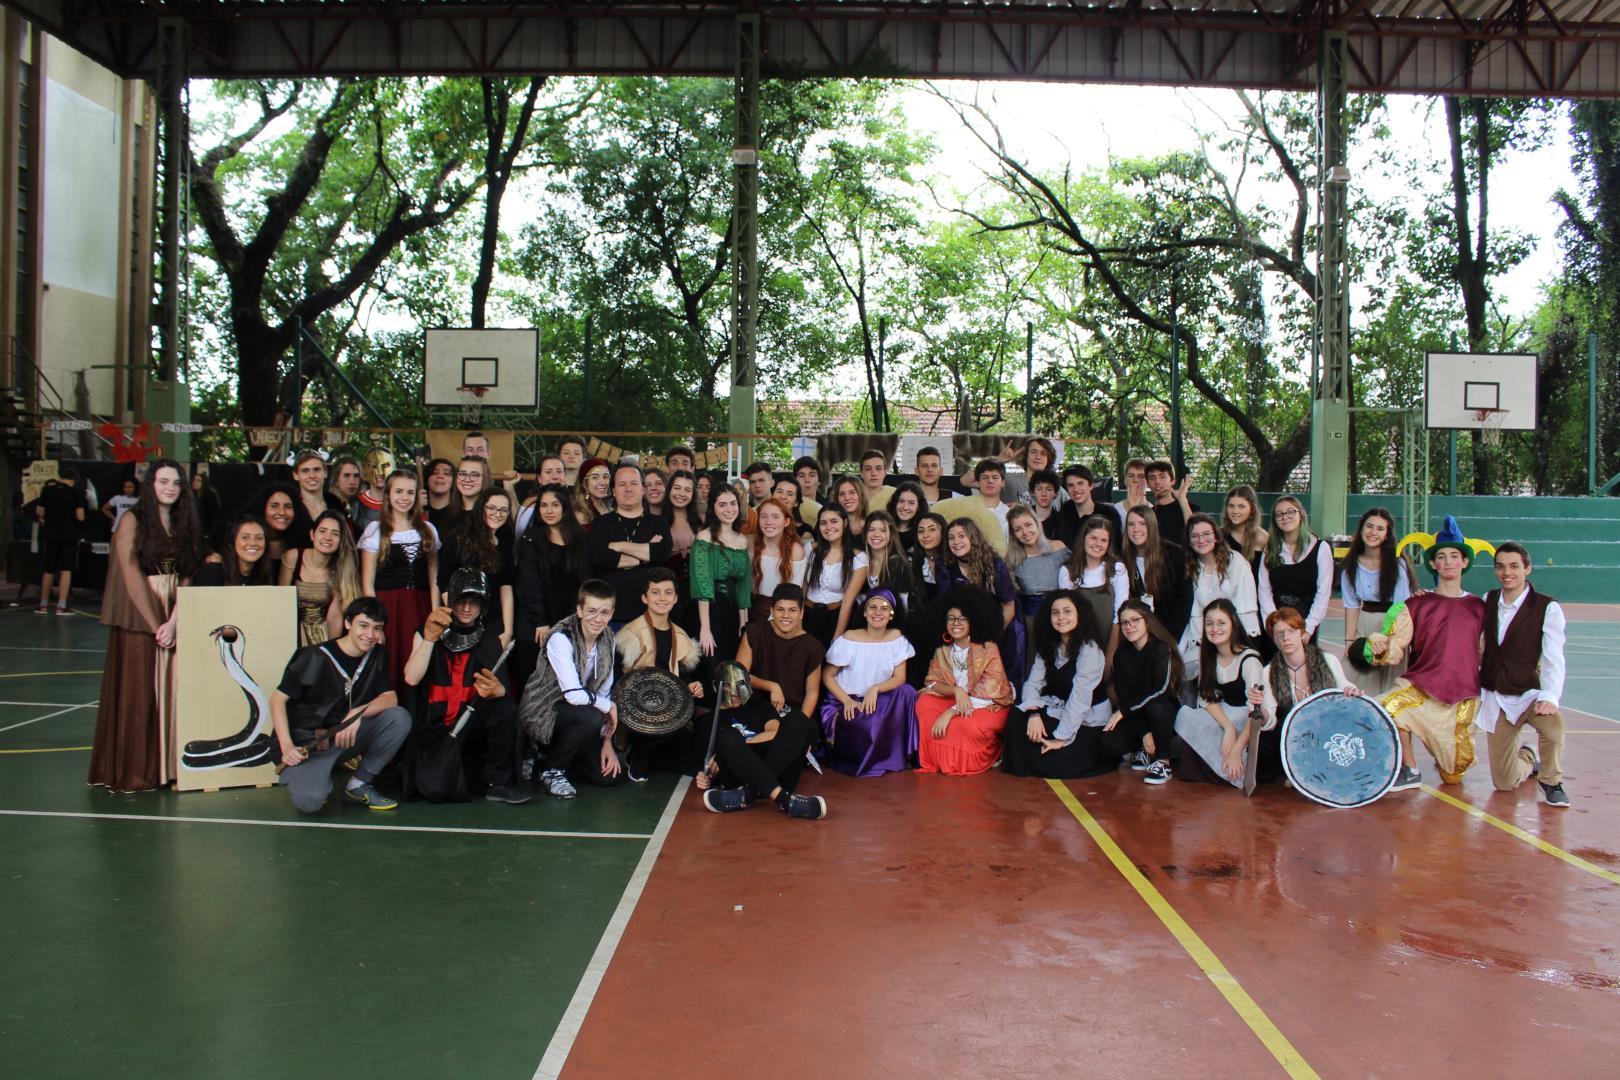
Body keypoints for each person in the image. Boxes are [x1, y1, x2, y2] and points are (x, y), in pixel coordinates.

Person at [89, 459, 204, 792]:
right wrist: (158, 625)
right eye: (162, 481)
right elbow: (131, 576)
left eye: (175, 483)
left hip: (175, 608)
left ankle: (172, 766)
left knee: (175, 689)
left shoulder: (185, 522)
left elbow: (188, 571)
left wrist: (176, 618)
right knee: (141, 692)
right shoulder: (132, 519)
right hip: (142, 613)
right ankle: (142, 769)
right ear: (150, 484)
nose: (169, 488)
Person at [1368, 517, 1487, 791]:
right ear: (1433, 563)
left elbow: (1488, 651)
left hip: (1463, 697)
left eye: (1454, 556)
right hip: (1421, 689)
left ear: (1464, 562)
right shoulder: (1416, 604)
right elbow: (1395, 646)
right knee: (1387, 707)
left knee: (1454, 775)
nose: (1447, 562)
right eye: (1441, 557)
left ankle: (1527, 758)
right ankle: (1409, 768)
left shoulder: (1479, 607)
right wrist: (1379, 646)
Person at [697, 584, 829, 820]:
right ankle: (782, 798)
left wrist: (799, 736)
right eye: (780, 610)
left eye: (791, 610)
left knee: (800, 722)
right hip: (755, 709)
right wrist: (772, 686)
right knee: (727, 736)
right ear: (772, 610)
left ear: (801, 613)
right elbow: (740, 675)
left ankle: (747, 793)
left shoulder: (812, 646)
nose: (785, 616)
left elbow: (811, 693)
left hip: (787, 722)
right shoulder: (755, 632)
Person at [271, 596, 410, 813]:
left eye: (377, 628)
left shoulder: (376, 655)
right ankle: (315, 776)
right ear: (347, 623)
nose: (370, 635)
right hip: (306, 745)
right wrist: (287, 746)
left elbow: (390, 698)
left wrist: (358, 713)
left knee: (398, 717)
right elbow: (277, 699)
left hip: (340, 738)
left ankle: (359, 783)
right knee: (310, 803)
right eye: (363, 625)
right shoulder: (314, 656)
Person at [402, 570, 527, 804]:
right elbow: (411, 678)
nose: (467, 608)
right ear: (452, 601)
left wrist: (496, 690)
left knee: (506, 709)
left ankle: (498, 782)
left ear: (483, 605)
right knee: (436, 790)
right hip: (435, 728)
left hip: (471, 726)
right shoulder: (427, 631)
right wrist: (429, 639)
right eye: (462, 600)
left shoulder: (490, 638)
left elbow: (503, 692)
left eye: (474, 602)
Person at [1476, 542, 1570, 807]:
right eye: (1501, 567)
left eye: (1514, 566)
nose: (1507, 572)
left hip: (1529, 693)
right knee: (1504, 783)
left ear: (1527, 568)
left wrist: (1550, 695)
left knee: (1553, 730)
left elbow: (1554, 657)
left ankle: (1551, 781)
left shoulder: (1547, 608)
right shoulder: (1487, 600)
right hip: (1496, 695)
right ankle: (1528, 758)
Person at [520, 579, 626, 798]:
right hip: (544, 710)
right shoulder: (561, 637)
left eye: (605, 612)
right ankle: (552, 769)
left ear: (612, 613)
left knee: (608, 777)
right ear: (579, 610)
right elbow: (573, 695)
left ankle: (552, 757)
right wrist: (609, 707)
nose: (598, 619)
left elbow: (603, 693)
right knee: (590, 717)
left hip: (581, 714)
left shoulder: (609, 640)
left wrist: (607, 741)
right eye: (592, 611)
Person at [1001, 591, 1113, 779]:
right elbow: (1032, 685)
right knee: (1017, 716)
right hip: (1059, 707)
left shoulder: (1089, 649)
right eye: (1055, 613)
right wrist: (1034, 713)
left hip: (1087, 718)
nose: (1061, 617)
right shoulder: (1050, 646)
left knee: (1057, 763)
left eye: (1067, 611)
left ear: (1079, 614)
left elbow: (1080, 699)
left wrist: (1060, 739)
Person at [1251, 607, 1360, 785]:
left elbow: (1344, 685)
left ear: (1302, 633)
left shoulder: (1327, 660)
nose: (1286, 638)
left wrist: (1350, 691)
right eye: (1279, 634)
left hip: (1327, 730)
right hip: (1295, 735)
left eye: (1291, 631)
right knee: (1265, 746)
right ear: (1274, 640)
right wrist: (1259, 706)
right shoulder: (1269, 672)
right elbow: (1269, 722)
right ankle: (1295, 772)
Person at [614, 567, 703, 781]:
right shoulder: (630, 634)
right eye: (655, 592)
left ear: (675, 599)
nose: (662, 598)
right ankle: (638, 755)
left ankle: (656, 756)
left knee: (692, 756)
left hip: (669, 705)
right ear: (645, 598)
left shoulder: (680, 635)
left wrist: (691, 686)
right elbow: (618, 679)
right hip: (635, 706)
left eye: (668, 593)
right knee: (656, 735)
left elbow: (679, 675)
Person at [817, 589, 917, 776]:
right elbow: (827, 676)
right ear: (864, 612)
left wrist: (875, 688)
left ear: (891, 614)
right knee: (869, 725)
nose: (878, 612)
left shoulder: (897, 638)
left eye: (884, 608)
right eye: (873, 607)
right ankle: (872, 759)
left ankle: (901, 754)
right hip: (845, 703)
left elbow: (900, 678)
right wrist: (846, 700)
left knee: (907, 691)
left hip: (878, 700)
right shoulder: (849, 638)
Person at [915, 587, 1014, 776]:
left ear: (972, 621)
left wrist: (950, 713)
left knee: (964, 725)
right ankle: (937, 760)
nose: (956, 623)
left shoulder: (987, 648)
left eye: (962, 618)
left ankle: (986, 754)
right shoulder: (942, 650)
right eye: (951, 618)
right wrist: (956, 692)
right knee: (924, 704)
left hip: (989, 705)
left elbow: (990, 691)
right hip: (957, 700)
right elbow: (932, 682)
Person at [358, 469, 440, 690]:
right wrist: (375, 623)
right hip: (389, 609)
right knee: (391, 661)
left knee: (419, 661)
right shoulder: (376, 531)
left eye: (410, 492)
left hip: (420, 606)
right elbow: (368, 582)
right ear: (388, 495)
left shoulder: (427, 530)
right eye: (399, 491)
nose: (404, 498)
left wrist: (435, 616)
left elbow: (434, 580)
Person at [1171, 599, 1266, 787]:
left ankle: (1227, 770)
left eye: (1221, 623)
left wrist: (1237, 750)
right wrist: (1228, 728)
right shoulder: (1207, 656)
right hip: (1226, 716)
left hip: (1247, 721)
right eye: (1209, 623)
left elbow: (1256, 712)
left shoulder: (1249, 661)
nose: (1215, 628)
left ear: (1233, 624)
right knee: (1188, 717)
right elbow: (1206, 698)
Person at [513, 483, 588, 695]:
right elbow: (528, 583)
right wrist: (540, 621)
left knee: (564, 682)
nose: (549, 510)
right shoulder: (531, 538)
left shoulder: (579, 539)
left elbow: (584, 581)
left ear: (564, 507)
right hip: (537, 623)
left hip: (569, 620)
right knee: (534, 683)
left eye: (555, 505)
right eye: (543, 505)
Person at [1338, 507, 1415, 695]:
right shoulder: (1350, 565)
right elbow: (1351, 605)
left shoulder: (1398, 565)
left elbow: (1401, 608)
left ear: (1387, 534)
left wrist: (1390, 643)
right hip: (1365, 625)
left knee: (1391, 690)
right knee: (1355, 683)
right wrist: (1349, 641)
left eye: (1380, 529)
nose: (1373, 532)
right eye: (1369, 526)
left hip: (1392, 628)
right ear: (1361, 529)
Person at [1106, 598, 1184, 783]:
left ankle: (1163, 762)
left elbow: (1160, 689)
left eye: (1135, 620)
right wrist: (1144, 733)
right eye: (1125, 622)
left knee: (1156, 706)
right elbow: (1124, 696)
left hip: (1163, 712)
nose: (1129, 626)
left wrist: (1125, 711)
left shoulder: (1162, 648)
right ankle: (1144, 749)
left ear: (1147, 621)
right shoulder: (1121, 654)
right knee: (1108, 744)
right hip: (1136, 714)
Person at [587, 463, 671, 627]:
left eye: (634, 483)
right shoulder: (601, 523)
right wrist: (646, 554)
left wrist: (617, 546)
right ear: (613, 491)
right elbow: (601, 556)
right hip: (608, 615)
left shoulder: (659, 523)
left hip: (650, 615)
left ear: (643, 489)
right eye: (621, 484)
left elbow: (661, 552)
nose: (628, 489)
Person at [1181, 513, 1260, 679]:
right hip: (1207, 637)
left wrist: (1230, 642)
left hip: (1236, 637)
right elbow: (1195, 611)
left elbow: (1245, 606)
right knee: (1183, 667)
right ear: (1189, 541)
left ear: (1216, 536)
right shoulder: (1192, 568)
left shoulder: (1236, 562)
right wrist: (1205, 642)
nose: (1201, 540)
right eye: (1195, 536)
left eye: (1206, 534)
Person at [943, 516, 1023, 676]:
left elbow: (1009, 607)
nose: (956, 541)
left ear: (973, 537)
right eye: (951, 538)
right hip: (963, 633)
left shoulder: (994, 565)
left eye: (961, 536)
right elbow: (946, 605)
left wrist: (989, 639)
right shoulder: (947, 567)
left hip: (999, 629)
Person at [438, 488, 516, 646]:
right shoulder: (458, 538)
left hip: (492, 619)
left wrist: (508, 630)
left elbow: (506, 587)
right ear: (481, 508)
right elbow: (443, 582)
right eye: (491, 508)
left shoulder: (505, 544)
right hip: (461, 617)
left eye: (503, 510)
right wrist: (459, 617)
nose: (497, 514)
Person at [1257, 495, 1334, 647]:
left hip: (1305, 624)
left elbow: (1323, 592)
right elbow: (1264, 590)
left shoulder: (1320, 548)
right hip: (1277, 624)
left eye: (1290, 512)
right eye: (1279, 514)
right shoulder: (1270, 549)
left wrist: (1309, 628)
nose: (1285, 517)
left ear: (1301, 515)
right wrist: (1274, 625)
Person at [690, 484, 751, 667]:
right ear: (713, 508)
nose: (729, 509)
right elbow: (703, 585)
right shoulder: (704, 537)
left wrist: (743, 626)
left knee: (733, 667)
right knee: (712, 666)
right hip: (710, 612)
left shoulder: (742, 539)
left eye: (733, 503)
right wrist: (705, 628)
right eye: (722, 504)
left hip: (732, 613)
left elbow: (743, 586)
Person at [281, 509, 359, 645]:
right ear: (312, 534)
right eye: (322, 531)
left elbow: (334, 620)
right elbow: (279, 600)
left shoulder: (341, 572)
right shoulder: (293, 557)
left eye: (335, 534)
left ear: (341, 541)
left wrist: (327, 652)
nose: (328, 537)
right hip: (287, 634)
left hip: (320, 640)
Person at [1056, 514, 1129, 644]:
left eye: (1104, 540)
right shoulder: (1068, 572)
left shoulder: (1117, 569)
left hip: (1113, 639)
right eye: (1093, 538)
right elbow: (1068, 615)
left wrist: (1111, 652)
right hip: (1081, 641)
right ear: (1083, 538)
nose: (1098, 544)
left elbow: (1120, 614)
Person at [1122, 505, 1192, 641]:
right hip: (1137, 636)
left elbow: (1184, 601)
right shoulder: (1123, 560)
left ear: (1152, 526)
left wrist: (1168, 638)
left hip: (1172, 634)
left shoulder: (1173, 555)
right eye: (1131, 524)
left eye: (1142, 523)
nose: (1136, 529)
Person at [803, 504, 868, 646]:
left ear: (844, 523)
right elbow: (803, 588)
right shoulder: (810, 550)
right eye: (823, 523)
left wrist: (837, 638)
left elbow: (848, 601)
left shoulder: (859, 558)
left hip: (835, 616)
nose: (828, 527)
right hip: (808, 615)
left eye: (834, 521)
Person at [28, 467, 85, 614]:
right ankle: (61, 605)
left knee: (48, 570)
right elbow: (80, 516)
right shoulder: (74, 492)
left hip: (51, 534)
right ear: (73, 480)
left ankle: (43, 604)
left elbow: (40, 512)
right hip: (69, 536)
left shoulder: (48, 490)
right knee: (66, 570)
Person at [1006, 504, 1069, 622]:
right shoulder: (1012, 560)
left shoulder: (1058, 547)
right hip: (1032, 618)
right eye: (1017, 529)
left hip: (1061, 616)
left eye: (1028, 525)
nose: (1025, 532)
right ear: (1013, 534)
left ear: (1037, 523)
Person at [749, 497, 806, 621]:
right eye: (763, 516)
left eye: (775, 517)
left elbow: (793, 594)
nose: (768, 522)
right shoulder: (750, 544)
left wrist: (773, 621)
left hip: (781, 613)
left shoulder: (795, 551)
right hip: (751, 608)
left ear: (786, 522)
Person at [1050, 465, 1116, 551]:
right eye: (1071, 485)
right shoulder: (1063, 514)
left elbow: (1115, 549)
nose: (1076, 489)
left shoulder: (1109, 515)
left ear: (1091, 485)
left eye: (1080, 483)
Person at [193, 517, 273, 586]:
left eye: (259, 538)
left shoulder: (263, 574)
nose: (252, 543)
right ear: (232, 542)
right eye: (245, 537)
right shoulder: (212, 573)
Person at [289, 451, 343, 538]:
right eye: (305, 471)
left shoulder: (337, 506)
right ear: (296, 475)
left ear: (325, 473)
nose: (312, 475)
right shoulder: (289, 506)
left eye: (317, 469)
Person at [1145, 460, 1196, 550]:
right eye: (1152, 478)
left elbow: (1196, 534)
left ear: (1172, 481)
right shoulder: (1149, 515)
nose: (1157, 482)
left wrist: (1183, 500)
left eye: (1162, 477)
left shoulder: (1190, 508)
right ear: (1148, 484)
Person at [1221, 484, 1268, 575]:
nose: (1235, 511)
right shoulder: (1220, 534)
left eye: (1241, 506)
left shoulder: (1262, 537)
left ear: (1252, 509)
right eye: (1231, 506)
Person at [254, 483, 298, 566]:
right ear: (263, 508)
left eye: (288, 507)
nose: (282, 512)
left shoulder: (301, 544)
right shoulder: (250, 542)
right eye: (274, 506)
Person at [968, 459, 1011, 540]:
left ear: (1003, 482)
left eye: (995, 477)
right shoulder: (967, 510)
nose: (990, 481)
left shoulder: (1009, 513)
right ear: (977, 482)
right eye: (984, 477)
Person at [354, 447, 393, 530]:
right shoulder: (355, 504)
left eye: (385, 465)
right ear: (365, 469)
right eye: (373, 466)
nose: (380, 472)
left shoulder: (400, 502)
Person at [572, 457, 613, 527]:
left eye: (605, 477)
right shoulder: (580, 515)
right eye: (595, 477)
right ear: (585, 484)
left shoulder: (611, 509)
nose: (602, 482)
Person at [888, 480, 926, 551]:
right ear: (895, 503)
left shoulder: (923, 533)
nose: (905, 507)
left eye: (911, 503)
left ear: (919, 506)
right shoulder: (885, 528)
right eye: (901, 501)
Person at [829, 474, 867, 541]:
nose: (847, 498)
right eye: (842, 494)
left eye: (852, 492)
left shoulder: (871, 524)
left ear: (861, 495)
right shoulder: (829, 526)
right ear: (836, 498)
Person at [858, 448, 896, 513]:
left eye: (878, 468)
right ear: (861, 473)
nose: (873, 473)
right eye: (868, 469)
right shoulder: (853, 496)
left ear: (885, 472)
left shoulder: (894, 494)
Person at [327, 456, 363, 523]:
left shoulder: (357, 506)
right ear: (336, 479)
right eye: (346, 475)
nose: (352, 482)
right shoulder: (329, 506)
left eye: (356, 476)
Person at [422, 458, 457, 526]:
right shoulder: (417, 510)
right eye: (435, 473)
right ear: (427, 479)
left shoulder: (461, 513)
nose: (440, 476)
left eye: (446, 473)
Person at [191, 469, 223, 541]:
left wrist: (208, 532)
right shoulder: (193, 495)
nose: (195, 482)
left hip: (207, 531)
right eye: (194, 480)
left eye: (198, 481)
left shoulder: (210, 496)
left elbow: (213, 516)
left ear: (204, 482)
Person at [1028, 469, 1062, 536]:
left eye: (1049, 489)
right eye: (1039, 489)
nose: (1044, 494)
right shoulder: (1025, 516)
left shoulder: (1061, 520)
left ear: (1055, 493)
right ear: (1032, 492)